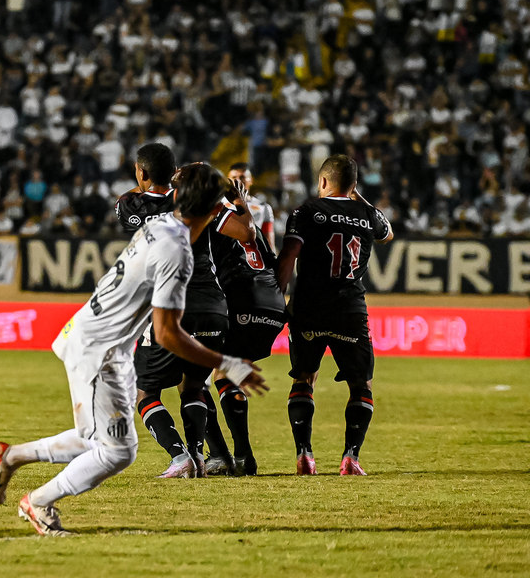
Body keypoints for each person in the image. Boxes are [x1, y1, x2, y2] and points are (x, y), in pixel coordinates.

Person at [0, 163, 267, 536]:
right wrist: (227, 362)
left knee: (97, 439)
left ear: (177, 197)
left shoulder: (156, 226)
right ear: (216, 211)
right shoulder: (177, 253)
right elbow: (167, 333)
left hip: (95, 336)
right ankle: (38, 502)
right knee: (117, 451)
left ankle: (12, 455)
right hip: (99, 348)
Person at [123, 146, 256, 479]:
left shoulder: (129, 206)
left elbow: (134, 195)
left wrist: (169, 176)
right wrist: (237, 200)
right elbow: (247, 233)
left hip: (169, 304)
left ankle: (179, 455)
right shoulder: (197, 202)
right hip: (213, 304)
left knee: (145, 392)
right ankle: (198, 456)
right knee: (194, 386)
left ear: (141, 172)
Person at [276, 154, 394, 475]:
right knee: (361, 384)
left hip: (308, 308)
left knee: (304, 377)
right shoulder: (368, 215)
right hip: (349, 310)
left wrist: (276, 295)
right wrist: (361, 199)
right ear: (354, 186)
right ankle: (351, 457)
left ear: (323, 181)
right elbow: (388, 233)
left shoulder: (306, 211)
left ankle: (305, 454)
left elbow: (289, 255)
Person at [201, 169, 288, 476]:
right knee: (226, 375)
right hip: (274, 307)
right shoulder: (247, 217)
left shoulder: (211, 217)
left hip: (240, 301)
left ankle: (222, 456)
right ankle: (240, 457)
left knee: (194, 377)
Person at [227, 163, 277, 251]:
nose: (238, 181)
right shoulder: (220, 204)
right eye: (234, 177)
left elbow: (268, 239)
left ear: (251, 180)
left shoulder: (263, 207)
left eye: (242, 177)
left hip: (254, 257)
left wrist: (272, 261)